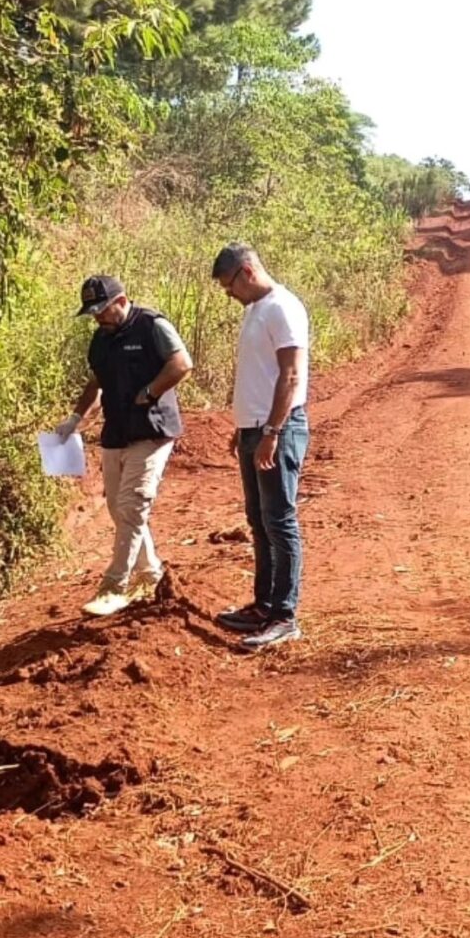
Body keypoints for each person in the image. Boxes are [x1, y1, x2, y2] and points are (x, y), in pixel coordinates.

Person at [53, 275, 193, 617]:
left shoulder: (152, 325)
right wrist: (74, 419)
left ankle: (114, 586)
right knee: (118, 508)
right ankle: (150, 574)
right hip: (116, 433)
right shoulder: (100, 341)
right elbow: (95, 384)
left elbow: (181, 364)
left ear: (121, 300)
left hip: (151, 431)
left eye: (102, 310)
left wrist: (151, 391)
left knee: (132, 506)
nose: (98, 318)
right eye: (92, 313)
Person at [211, 244, 310, 649]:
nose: (228, 294)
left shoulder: (283, 308)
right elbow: (258, 374)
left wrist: (271, 431)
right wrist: (244, 427)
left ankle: (284, 616)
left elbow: (290, 377)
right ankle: (263, 604)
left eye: (229, 284)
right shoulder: (256, 310)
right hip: (255, 428)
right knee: (258, 519)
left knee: (279, 520)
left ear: (247, 272)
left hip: (278, 429)